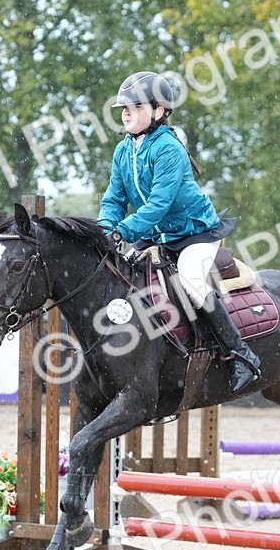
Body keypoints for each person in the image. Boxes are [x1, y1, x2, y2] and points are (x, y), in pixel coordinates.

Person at [97, 71, 260, 391]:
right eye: (122, 108)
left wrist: (124, 231)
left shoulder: (168, 148)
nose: (125, 112)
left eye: (134, 106)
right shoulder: (122, 151)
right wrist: (106, 231)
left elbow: (159, 203)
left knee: (191, 281)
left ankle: (240, 356)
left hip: (194, 233)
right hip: (156, 234)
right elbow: (113, 199)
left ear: (159, 111)